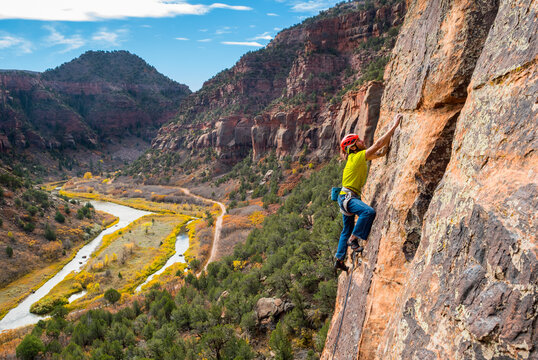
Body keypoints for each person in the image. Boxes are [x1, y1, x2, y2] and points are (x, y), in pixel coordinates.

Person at [334, 114, 402, 272]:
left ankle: (339, 258)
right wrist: (394, 126)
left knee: (346, 229)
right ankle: (354, 239)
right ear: (354, 146)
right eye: (359, 140)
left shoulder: (356, 158)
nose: (362, 141)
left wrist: (388, 143)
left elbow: (380, 152)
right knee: (368, 212)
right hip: (348, 198)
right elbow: (378, 145)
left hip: (344, 198)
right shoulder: (357, 157)